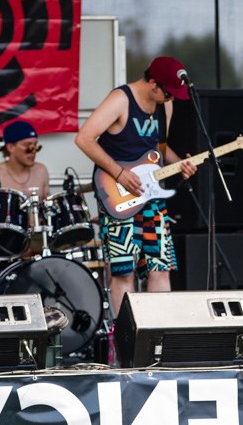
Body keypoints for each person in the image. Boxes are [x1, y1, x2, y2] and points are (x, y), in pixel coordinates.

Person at [75, 56, 197, 316]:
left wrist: (181, 164)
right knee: (124, 271)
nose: (171, 98)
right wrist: (119, 173)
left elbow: (157, 150)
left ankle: (157, 336)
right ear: (153, 83)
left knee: (160, 266)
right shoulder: (121, 99)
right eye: (168, 92)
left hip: (151, 197)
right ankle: (124, 340)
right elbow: (84, 139)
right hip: (117, 195)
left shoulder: (165, 107)